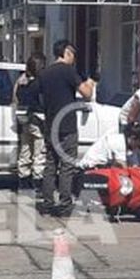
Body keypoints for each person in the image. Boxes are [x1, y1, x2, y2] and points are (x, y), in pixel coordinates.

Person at [37, 39, 94, 214]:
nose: (74, 58)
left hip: (50, 124)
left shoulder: (44, 73)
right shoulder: (68, 71)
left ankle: (47, 202)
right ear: (66, 52)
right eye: (73, 54)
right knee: (67, 166)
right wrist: (90, 82)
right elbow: (87, 94)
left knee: (50, 164)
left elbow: (39, 98)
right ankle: (64, 203)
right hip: (67, 125)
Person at [11, 54, 46, 191]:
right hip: (37, 118)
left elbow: (15, 99)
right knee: (39, 152)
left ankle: (23, 181)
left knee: (25, 150)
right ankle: (38, 182)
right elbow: (43, 101)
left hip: (23, 119)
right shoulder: (39, 83)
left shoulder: (21, 81)